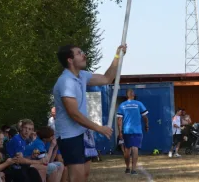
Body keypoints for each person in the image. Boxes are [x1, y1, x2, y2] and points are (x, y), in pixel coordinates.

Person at [53, 43, 127, 182]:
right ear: (70, 60)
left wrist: (118, 55)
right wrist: (99, 128)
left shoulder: (82, 76)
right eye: (79, 53)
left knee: (84, 174)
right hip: (69, 135)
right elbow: (73, 113)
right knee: (77, 177)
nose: (84, 55)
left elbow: (107, 78)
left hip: (83, 133)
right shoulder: (66, 82)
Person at [117, 89, 149, 175]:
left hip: (126, 130)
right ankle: (133, 170)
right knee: (135, 148)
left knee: (127, 149)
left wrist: (120, 132)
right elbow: (145, 117)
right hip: (137, 130)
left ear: (126, 95)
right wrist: (146, 125)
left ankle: (127, 168)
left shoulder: (122, 105)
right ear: (133, 95)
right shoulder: (139, 104)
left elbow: (119, 119)